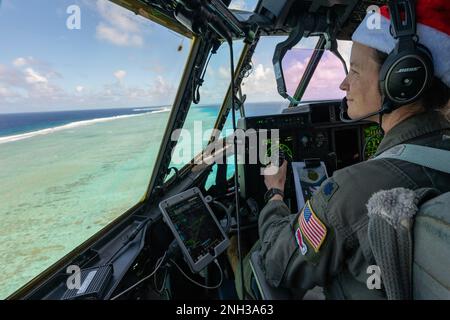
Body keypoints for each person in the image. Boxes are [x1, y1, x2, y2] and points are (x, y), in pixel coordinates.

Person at [229, 0, 450, 300]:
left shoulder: (352, 190)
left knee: (245, 262)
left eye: (355, 71)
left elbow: (276, 263)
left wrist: (275, 195)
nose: (344, 84)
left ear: (402, 79)